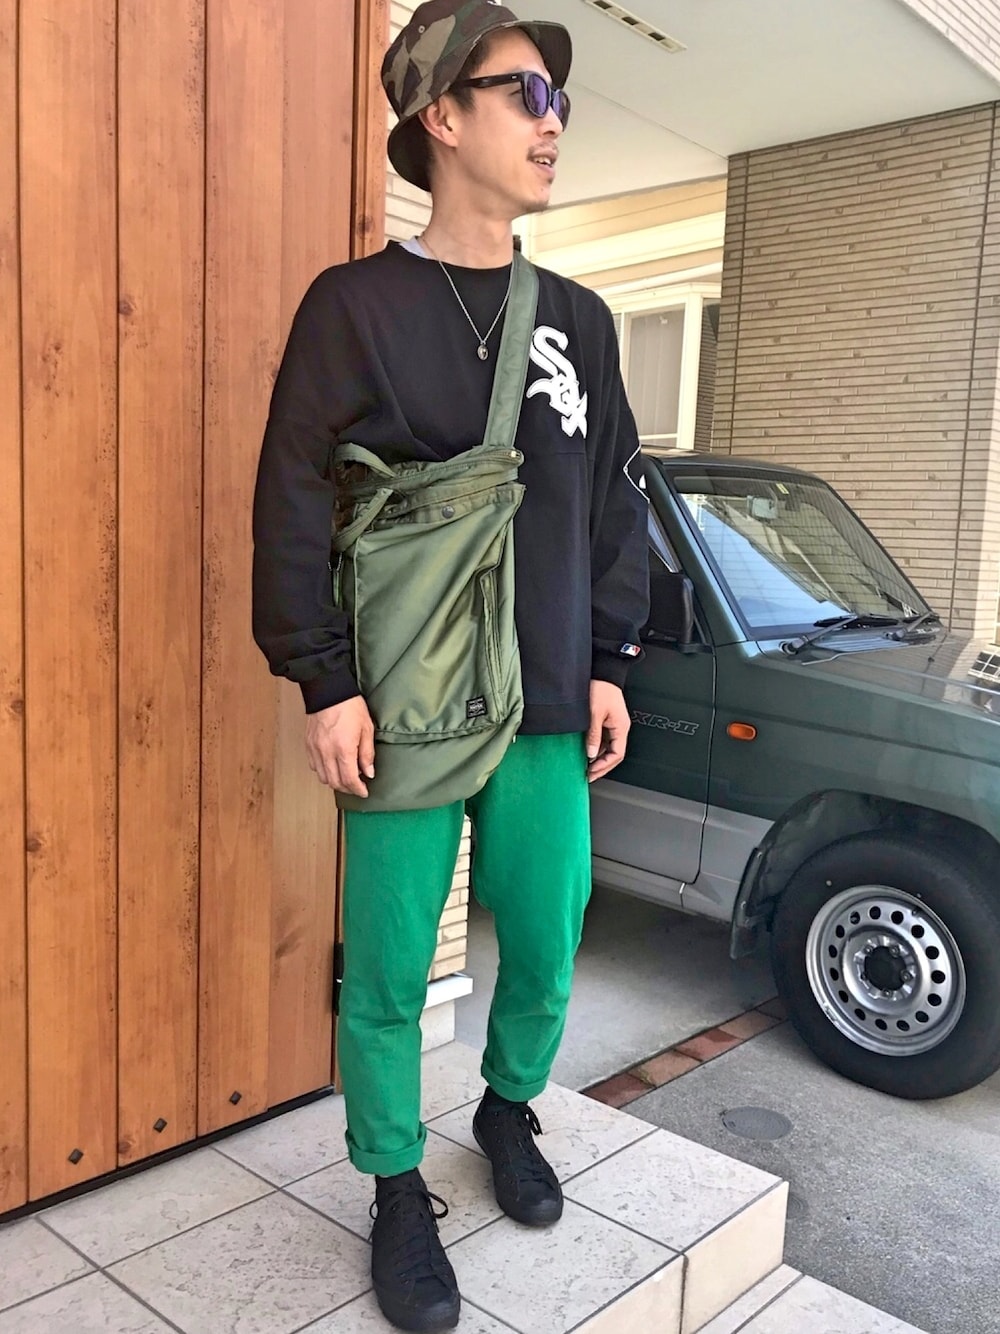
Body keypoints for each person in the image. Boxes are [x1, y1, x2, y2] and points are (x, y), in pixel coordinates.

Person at [252, 1, 649, 1328]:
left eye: (558, 99)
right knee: (386, 966)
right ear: (443, 116)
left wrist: (609, 656)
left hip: (548, 697)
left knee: (545, 934)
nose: (553, 120)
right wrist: (322, 678)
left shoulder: (580, 320)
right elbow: (293, 499)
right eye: (525, 92)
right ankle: (392, 1182)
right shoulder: (353, 307)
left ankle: (509, 1106)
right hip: (403, 700)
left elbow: (614, 497)